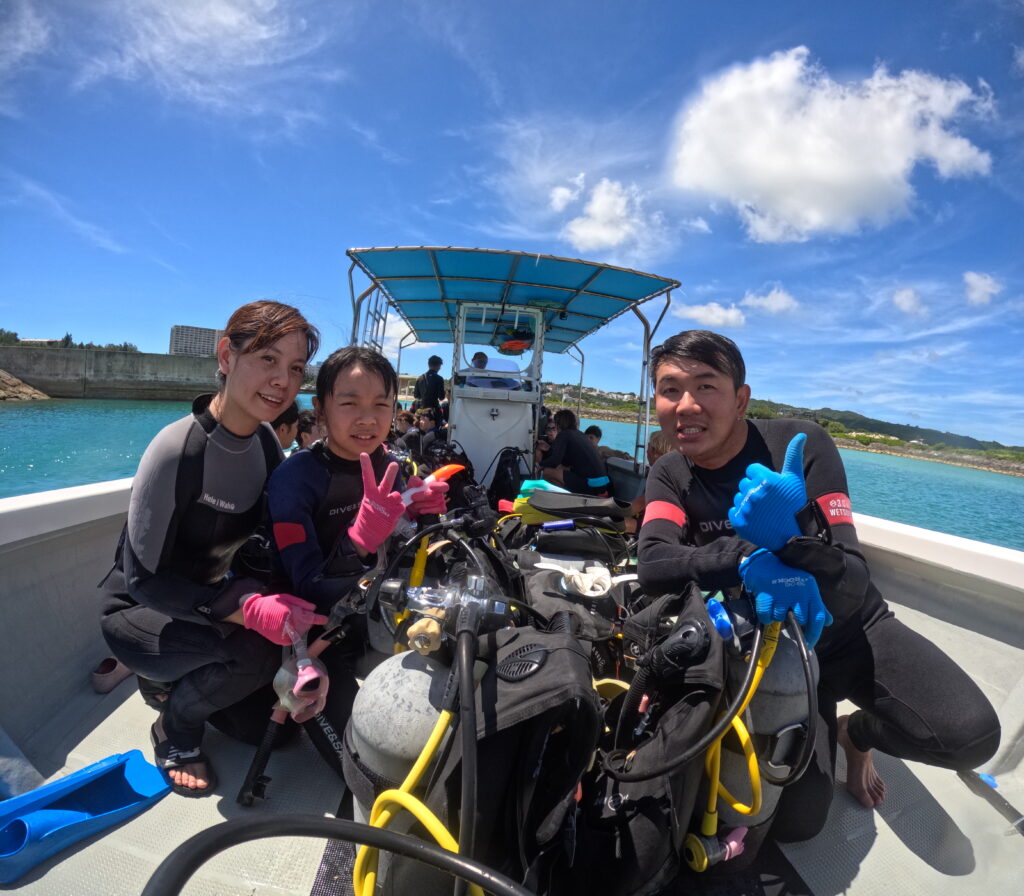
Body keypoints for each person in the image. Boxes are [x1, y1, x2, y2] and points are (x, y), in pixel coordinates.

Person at [637, 329, 999, 844]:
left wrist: (792, 536)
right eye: (670, 389)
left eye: (706, 386)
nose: (686, 404)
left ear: (741, 398)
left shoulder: (798, 445)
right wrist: (745, 561)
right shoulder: (671, 472)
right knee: (796, 825)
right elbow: (652, 562)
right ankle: (828, 718)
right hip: (769, 653)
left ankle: (858, 734)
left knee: (970, 737)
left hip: (849, 628)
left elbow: (851, 574)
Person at [99, 301, 323, 797]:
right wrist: (240, 606)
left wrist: (358, 532)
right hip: (141, 614)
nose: (282, 380)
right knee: (253, 654)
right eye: (267, 359)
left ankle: (168, 686)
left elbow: (276, 539)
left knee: (271, 733)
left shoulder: (267, 444)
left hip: (205, 606)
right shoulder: (177, 449)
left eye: (295, 368)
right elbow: (142, 580)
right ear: (226, 354)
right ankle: (174, 730)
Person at [266, 347, 448, 738]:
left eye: (382, 404)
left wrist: (416, 516)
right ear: (320, 408)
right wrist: (358, 542)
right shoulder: (294, 479)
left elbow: (397, 544)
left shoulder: (389, 464)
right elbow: (306, 586)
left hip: (373, 615)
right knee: (364, 744)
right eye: (349, 403)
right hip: (313, 632)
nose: (368, 419)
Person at [537, 409, 611, 496]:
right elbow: (566, 461)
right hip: (603, 486)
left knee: (547, 472)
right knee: (561, 469)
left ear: (558, 424)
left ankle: (564, 500)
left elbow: (554, 462)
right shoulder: (580, 434)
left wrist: (538, 465)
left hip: (591, 486)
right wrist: (549, 449)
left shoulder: (564, 434)